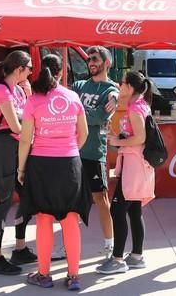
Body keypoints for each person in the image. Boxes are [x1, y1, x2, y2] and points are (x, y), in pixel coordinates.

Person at [18, 54, 90, 291]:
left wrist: (21, 168)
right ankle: (73, 276)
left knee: (44, 219)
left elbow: (26, 139)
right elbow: (84, 133)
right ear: (61, 73)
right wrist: (69, 151)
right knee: (71, 220)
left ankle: (44, 274)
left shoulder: (33, 100)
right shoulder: (73, 97)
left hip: (41, 164)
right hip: (70, 164)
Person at [0, 50, 36, 275]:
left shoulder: (20, 91)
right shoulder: (0, 90)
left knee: (27, 198)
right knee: (4, 201)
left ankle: (20, 248)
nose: (33, 72)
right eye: (30, 67)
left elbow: (30, 116)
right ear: (19, 69)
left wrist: (30, 94)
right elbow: (16, 126)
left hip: (17, 148)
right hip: (2, 147)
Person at [96, 71, 155, 274]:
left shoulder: (136, 109)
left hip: (134, 166)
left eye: (121, 84)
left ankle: (118, 259)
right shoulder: (139, 105)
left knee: (118, 210)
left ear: (130, 87)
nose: (119, 86)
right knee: (134, 210)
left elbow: (140, 138)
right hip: (137, 165)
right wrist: (119, 137)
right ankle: (137, 256)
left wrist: (117, 141)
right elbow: (136, 135)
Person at [72, 46, 119, 258]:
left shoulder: (111, 90)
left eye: (95, 59)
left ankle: (110, 245)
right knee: (70, 200)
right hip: (72, 152)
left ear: (106, 63)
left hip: (94, 152)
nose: (90, 62)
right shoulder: (79, 85)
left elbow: (100, 118)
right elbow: (70, 110)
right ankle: (68, 244)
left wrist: (79, 112)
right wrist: (86, 113)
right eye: (89, 59)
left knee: (101, 198)